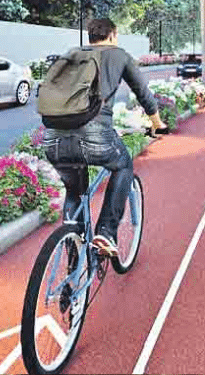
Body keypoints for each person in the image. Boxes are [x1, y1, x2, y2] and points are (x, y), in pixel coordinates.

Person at [42, 18, 167, 256]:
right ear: (112, 35)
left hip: (53, 138)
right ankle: (106, 232)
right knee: (123, 165)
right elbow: (143, 93)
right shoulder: (119, 55)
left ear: (90, 36)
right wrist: (157, 124)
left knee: (73, 190)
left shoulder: (71, 54)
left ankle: (73, 250)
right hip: (95, 135)